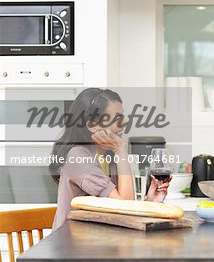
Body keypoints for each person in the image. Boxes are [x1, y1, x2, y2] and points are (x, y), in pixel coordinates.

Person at [50, 88, 170, 230]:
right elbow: (125, 207)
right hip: (71, 248)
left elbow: (119, 208)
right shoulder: (78, 157)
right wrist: (120, 150)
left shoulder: (107, 153)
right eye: (117, 118)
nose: (125, 122)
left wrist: (150, 201)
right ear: (92, 125)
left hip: (97, 242)